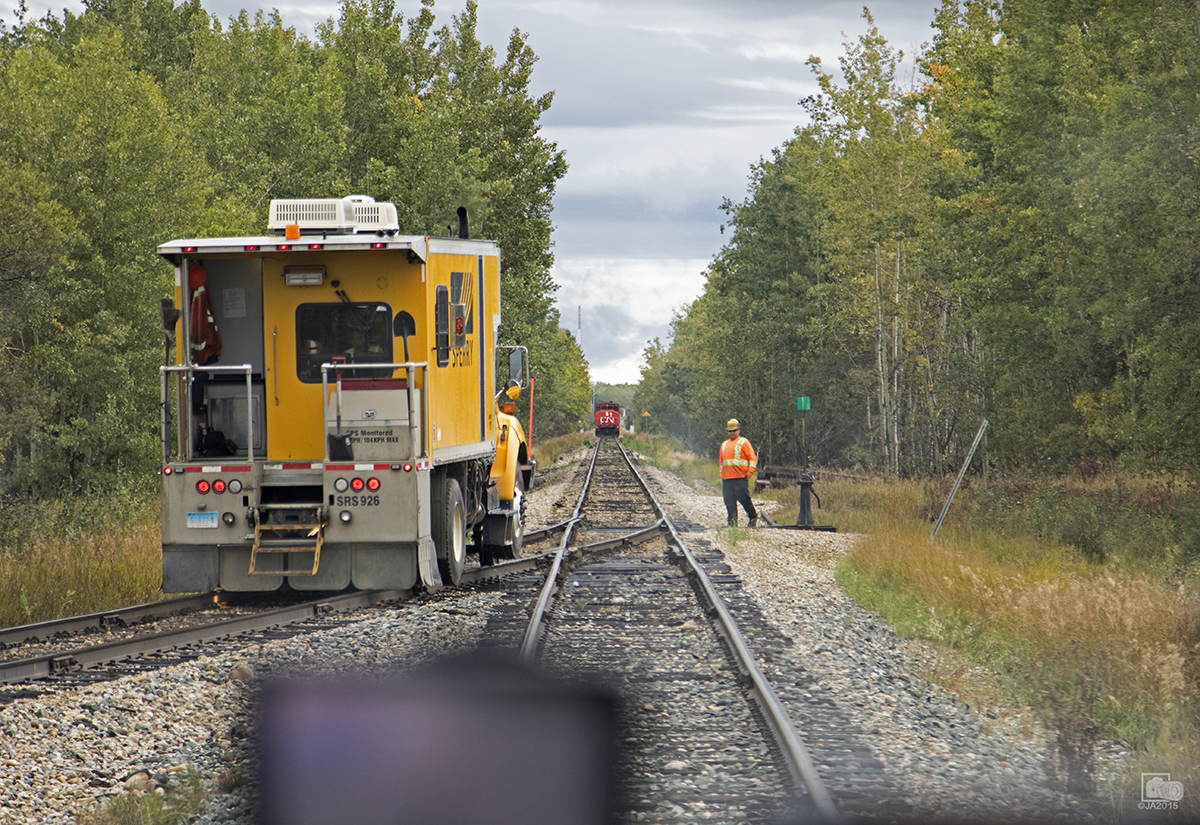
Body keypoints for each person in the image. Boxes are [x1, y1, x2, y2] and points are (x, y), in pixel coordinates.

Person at [719, 418, 758, 527]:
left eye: (733, 430)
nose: (731, 433)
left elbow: (752, 458)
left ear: (738, 430)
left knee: (744, 500)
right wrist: (722, 473)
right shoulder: (724, 444)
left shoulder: (743, 442)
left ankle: (753, 517)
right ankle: (732, 523)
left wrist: (750, 472)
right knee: (729, 502)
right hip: (727, 478)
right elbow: (721, 461)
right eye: (729, 431)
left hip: (740, 478)